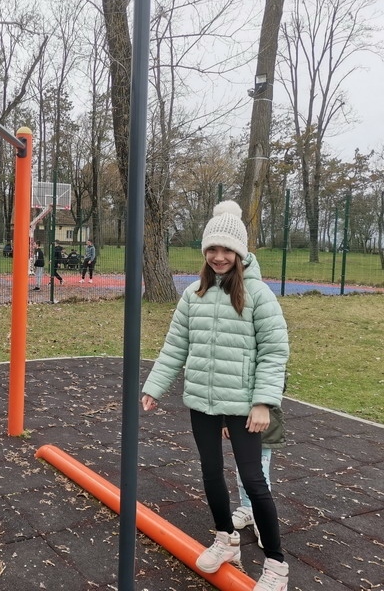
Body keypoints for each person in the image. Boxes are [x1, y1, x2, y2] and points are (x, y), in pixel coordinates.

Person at [140, 200, 290, 591]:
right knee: (210, 471)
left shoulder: (258, 295)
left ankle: (276, 565)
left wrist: (263, 402)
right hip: (203, 401)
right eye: (212, 249)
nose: (219, 257)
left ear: (239, 253)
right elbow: (176, 344)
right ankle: (226, 539)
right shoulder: (194, 294)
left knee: (254, 481)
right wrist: (155, 385)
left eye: (226, 250)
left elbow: (274, 352)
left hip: (244, 404)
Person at [225, 402, 286, 549]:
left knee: (258, 474)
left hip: (263, 420)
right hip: (240, 417)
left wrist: (263, 406)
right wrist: (225, 422)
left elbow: (275, 389)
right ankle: (248, 508)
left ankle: (263, 520)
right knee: (243, 469)